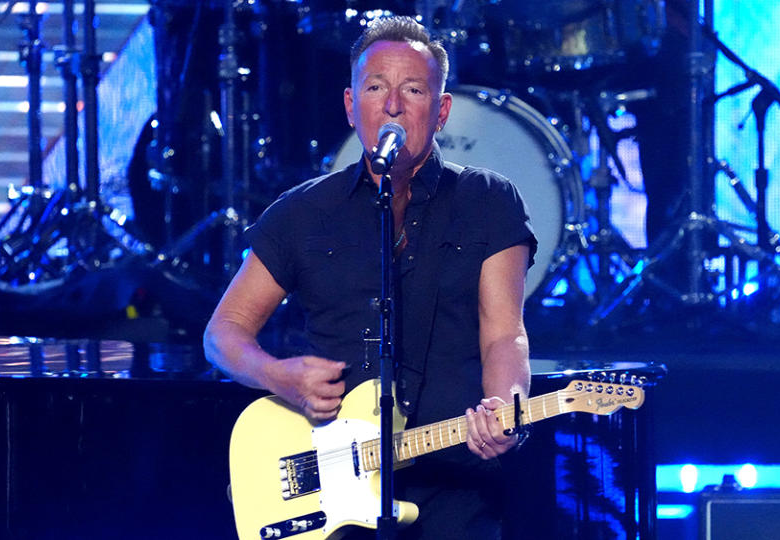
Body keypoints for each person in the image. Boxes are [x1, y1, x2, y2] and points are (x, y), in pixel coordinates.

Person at [204, 16, 536, 540]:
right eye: (376, 87)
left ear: (442, 109)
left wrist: (505, 406)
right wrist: (281, 376)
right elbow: (223, 334)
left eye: (413, 89)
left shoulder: (488, 201)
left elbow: (504, 331)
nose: (393, 105)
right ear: (350, 104)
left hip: (453, 482)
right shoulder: (302, 212)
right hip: (333, 487)